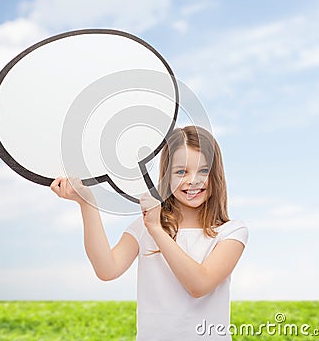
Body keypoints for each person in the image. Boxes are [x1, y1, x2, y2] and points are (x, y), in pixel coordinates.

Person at [50, 126, 248, 340]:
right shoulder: (142, 226)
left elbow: (199, 285)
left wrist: (156, 228)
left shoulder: (231, 232)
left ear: (216, 174)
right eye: (181, 171)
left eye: (203, 171)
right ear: (166, 176)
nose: (193, 180)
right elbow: (107, 269)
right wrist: (87, 204)